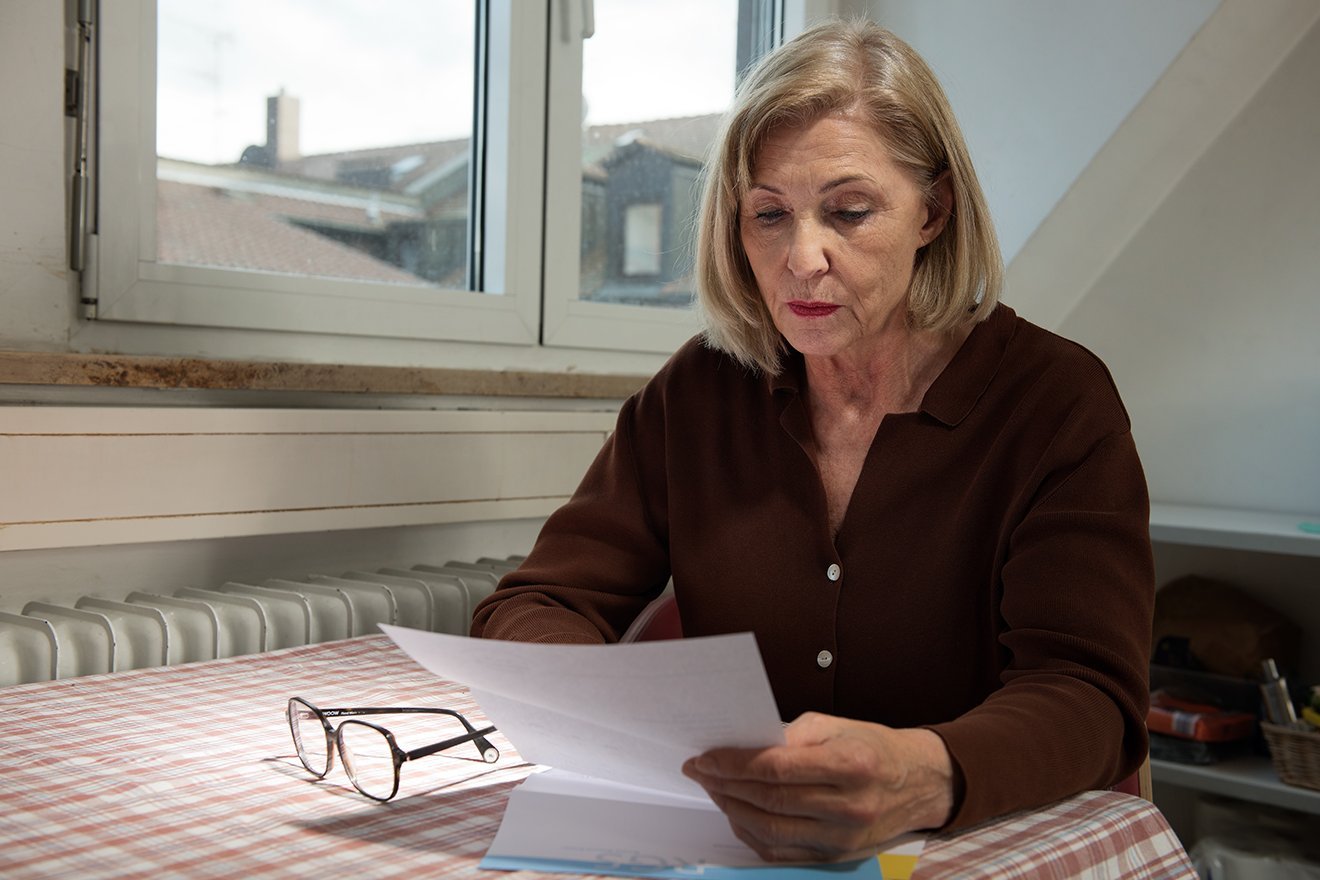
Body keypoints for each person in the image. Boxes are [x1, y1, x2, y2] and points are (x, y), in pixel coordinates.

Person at [471, 18, 1153, 863]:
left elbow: (1090, 696)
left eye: (849, 211)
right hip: (732, 846)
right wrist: (605, 706)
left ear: (932, 211)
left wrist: (922, 769)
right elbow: (536, 605)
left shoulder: (1055, 402)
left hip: (970, 848)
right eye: (768, 215)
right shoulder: (701, 391)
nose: (803, 258)